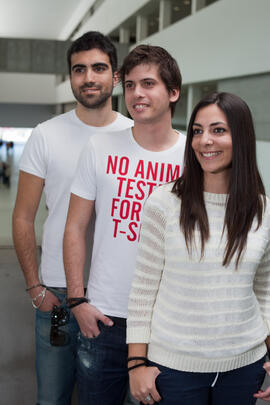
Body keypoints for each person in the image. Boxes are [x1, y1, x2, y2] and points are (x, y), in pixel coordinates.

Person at [12, 31, 133, 405]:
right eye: (79, 70)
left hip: (117, 295)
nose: (88, 77)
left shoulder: (135, 135)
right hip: (59, 294)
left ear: (115, 76)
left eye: (99, 68)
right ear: (70, 78)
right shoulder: (46, 135)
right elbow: (22, 217)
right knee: (53, 397)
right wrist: (36, 286)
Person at [127, 91, 270, 405]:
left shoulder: (262, 210)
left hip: (245, 366)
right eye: (197, 131)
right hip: (174, 369)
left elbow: (265, 289)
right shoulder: (164, 204)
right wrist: (136, 363)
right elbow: (143, 288)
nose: (205, 140)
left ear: (242, 137)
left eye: (218, 130)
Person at [63, 44, 186, 405]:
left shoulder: (192, 157)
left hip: (166, 321)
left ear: (173, 92)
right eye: (129, 85)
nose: (136, 94)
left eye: (148, 84)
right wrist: (77, 300)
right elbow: (74, 227)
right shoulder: (99, 148)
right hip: (104, 318)